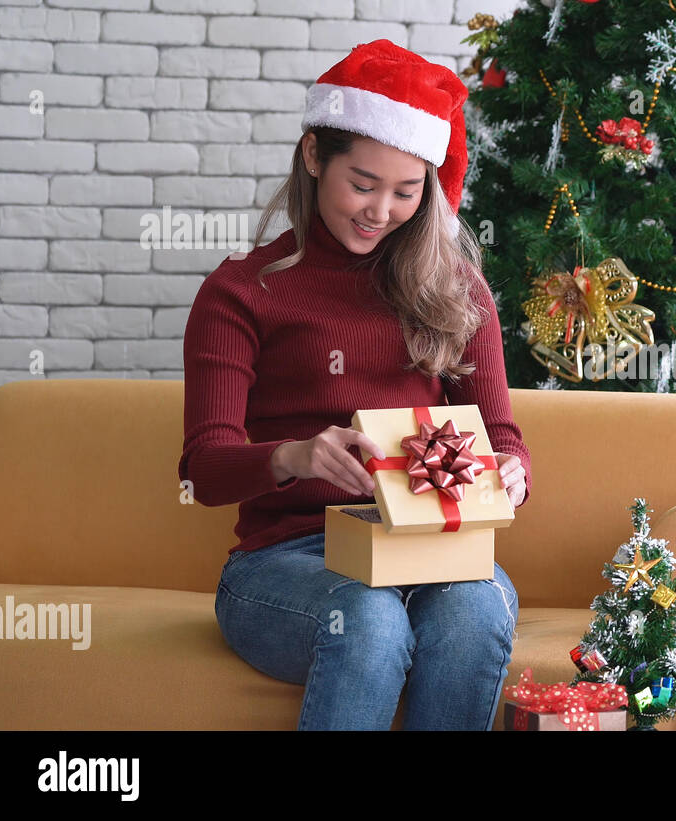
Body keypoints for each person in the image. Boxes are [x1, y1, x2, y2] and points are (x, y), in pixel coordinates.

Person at [177, 40, 531, 730]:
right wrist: (293, 455)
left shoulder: (457, 291)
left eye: (407, 191)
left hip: (430, 550)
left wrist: (513, 471)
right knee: (366, 616)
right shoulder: (240, 292)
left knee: (477, 604)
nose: (381, 211)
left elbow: (503, 436)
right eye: (362, 185)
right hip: (284, 562)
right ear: (314, 157)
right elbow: (204, 470)